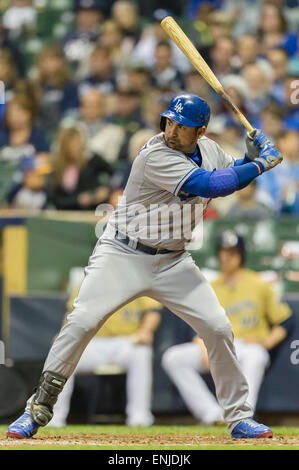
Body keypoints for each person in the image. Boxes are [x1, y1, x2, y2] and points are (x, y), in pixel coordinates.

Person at [6, 92, 283, 440]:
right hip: (122, 254)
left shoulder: (210, 149)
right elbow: (209, 184)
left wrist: (250, 158)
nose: (171, 130)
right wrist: (260, 164)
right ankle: (35, 410)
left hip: (174, 261)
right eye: (169, 121)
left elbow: (231, 172)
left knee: (217, 327)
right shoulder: (156, 154)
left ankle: (239, 417)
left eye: (181, 126)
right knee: (80, 322)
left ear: (200, 132)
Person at [162, 230, 293, 424]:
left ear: (241, 255)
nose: (227, 257)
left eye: (232, 252)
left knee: (256, 356)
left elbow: (286, 320)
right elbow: (196, 323)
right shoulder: (210, 287)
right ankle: (212, 415)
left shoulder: (258, 284)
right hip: (217, 346)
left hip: (248, 346)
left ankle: (241, 416)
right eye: (224, 252)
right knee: (173, 358)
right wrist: (200, 345)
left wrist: (266, 342)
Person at [48, 289, 162, 427]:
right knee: (63, 351)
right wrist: (65, 335)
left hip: (126, 342)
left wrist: (146, 331)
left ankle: (140, 418)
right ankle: (53, 418)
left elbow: (153, 312)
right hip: (91, 342)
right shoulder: (89, 278)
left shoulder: (137, 278)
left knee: (141, 352)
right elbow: (72, 312)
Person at [48, 126, 113, 211]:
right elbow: (54, 198)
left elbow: (115, 175)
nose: (76, 148)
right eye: (72, 145)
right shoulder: (56, 166)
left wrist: (105, 189)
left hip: (89, 211)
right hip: (63, 212)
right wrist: (77, 200)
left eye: (78, 143)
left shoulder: (92, 160)